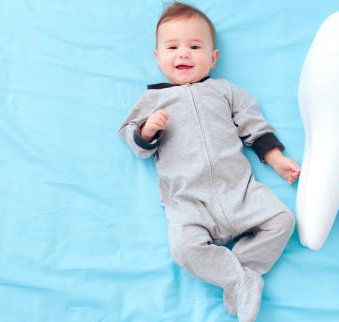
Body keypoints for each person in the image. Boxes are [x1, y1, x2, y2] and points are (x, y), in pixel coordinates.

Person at [118, 2, 300, 321]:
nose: (183, 54)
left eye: (195, 46)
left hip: (239, 192)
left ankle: (241, 278)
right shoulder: (152, 100)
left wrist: (276, 159)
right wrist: (147, 130)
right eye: (172, 47)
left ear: (213, 58)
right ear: (158, 57)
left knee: (283, 220)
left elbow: (254, 126)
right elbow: (130, 136)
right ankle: (240, 281)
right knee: (184, 250)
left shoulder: (226, 92)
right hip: (189, 202)